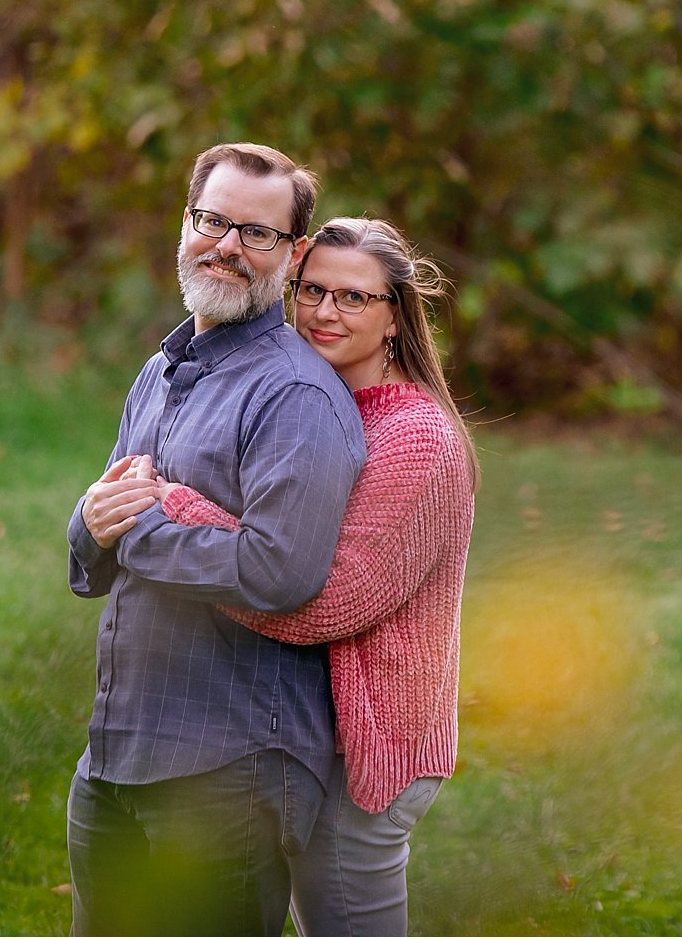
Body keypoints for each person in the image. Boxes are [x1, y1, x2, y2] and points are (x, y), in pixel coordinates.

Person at [65, 143, 366, 937]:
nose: (227, 245)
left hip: (229, 768)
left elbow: (280, 571)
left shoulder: (296, 394)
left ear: (294, 253)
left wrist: (135, 531)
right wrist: (92, 526)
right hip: (116, 752)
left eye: (256, 233)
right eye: (212, 220)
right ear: (186, 224)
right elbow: (103, 510)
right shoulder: (161, 369)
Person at [153, 217, 476, 938]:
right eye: (312, 291)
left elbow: (326, 602)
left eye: (354, 298)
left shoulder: (415, 439)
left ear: (395, 315)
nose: (326, 313)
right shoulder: (327, 407)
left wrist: (177, 511)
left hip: (370, 745)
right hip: (317, 733)